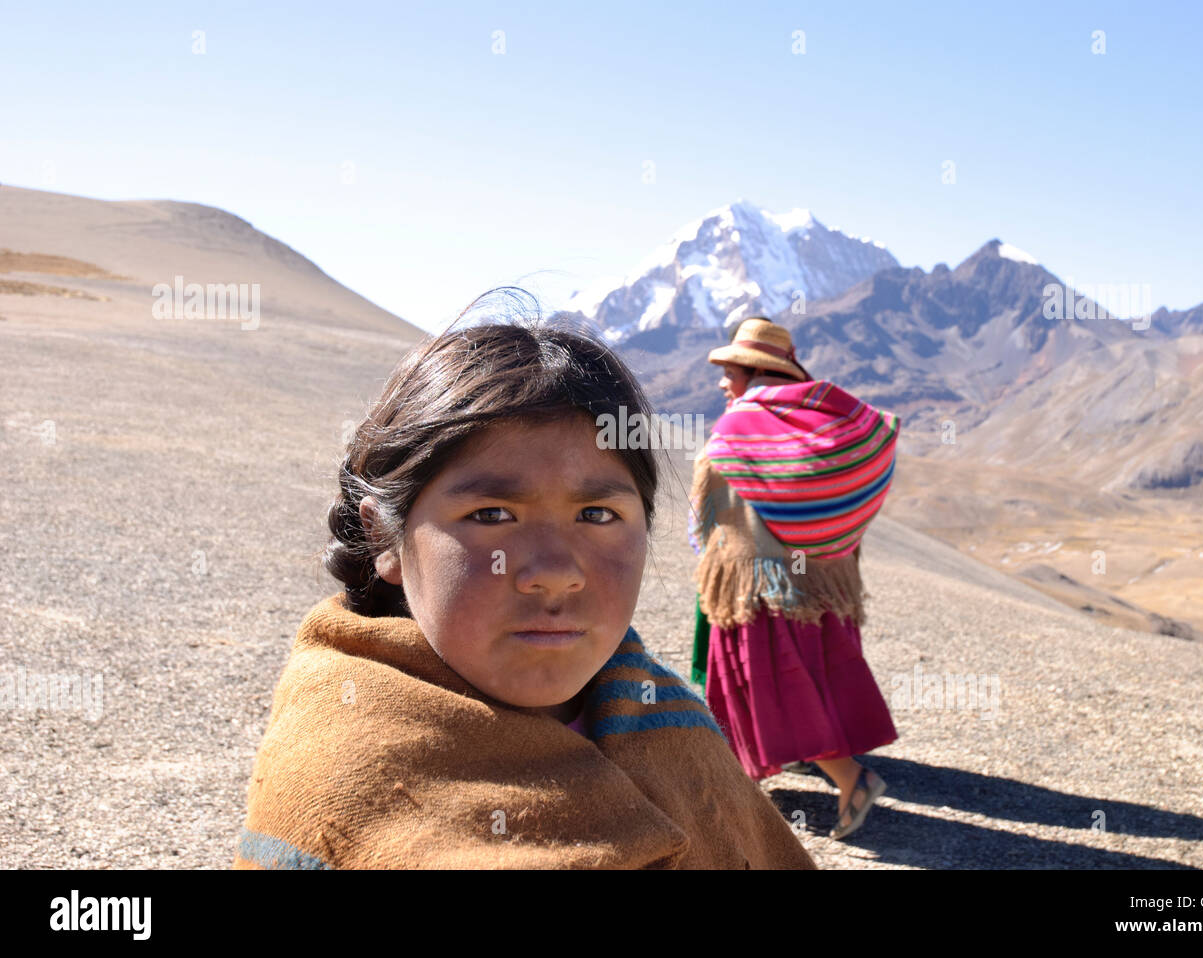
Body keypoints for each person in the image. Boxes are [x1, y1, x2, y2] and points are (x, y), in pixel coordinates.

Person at [233, 289, 815, 869]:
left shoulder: (671, 723)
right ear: (386, 539)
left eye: (598, 515)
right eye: (492, 516)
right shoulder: (343, 776)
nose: (555, 574)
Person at [688, 316, 901, 842]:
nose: (721, 382)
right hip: (819, 583)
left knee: (776, 688)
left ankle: (853, 779)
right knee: (811, 679)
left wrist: (710, 549)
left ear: (756, 370)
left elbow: (709, 512)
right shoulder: (814, 424)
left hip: (756, 588)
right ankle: (773, 771)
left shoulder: (738, 429)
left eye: (729, 370)